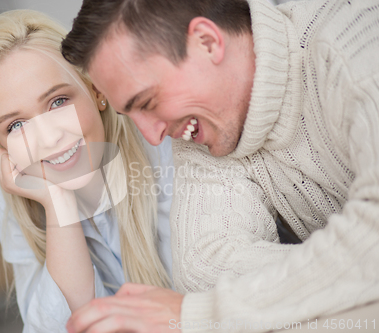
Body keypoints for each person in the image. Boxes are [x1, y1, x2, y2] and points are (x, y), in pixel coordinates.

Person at [61, 0, 379, 332]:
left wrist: (198, 315)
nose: (153, 136)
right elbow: (204, 269)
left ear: (207, 42)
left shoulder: (356, 39)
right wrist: (348, 269)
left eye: (148, 102)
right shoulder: (206, 126)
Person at [0, 9, 175, 332]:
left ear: (96, 89)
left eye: (58, 101)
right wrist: (58, 206)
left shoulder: (159, 141)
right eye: (17, 125)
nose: (48, 139)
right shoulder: (12, 190)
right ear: (1, 144)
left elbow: (211, 292)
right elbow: (57, 327)